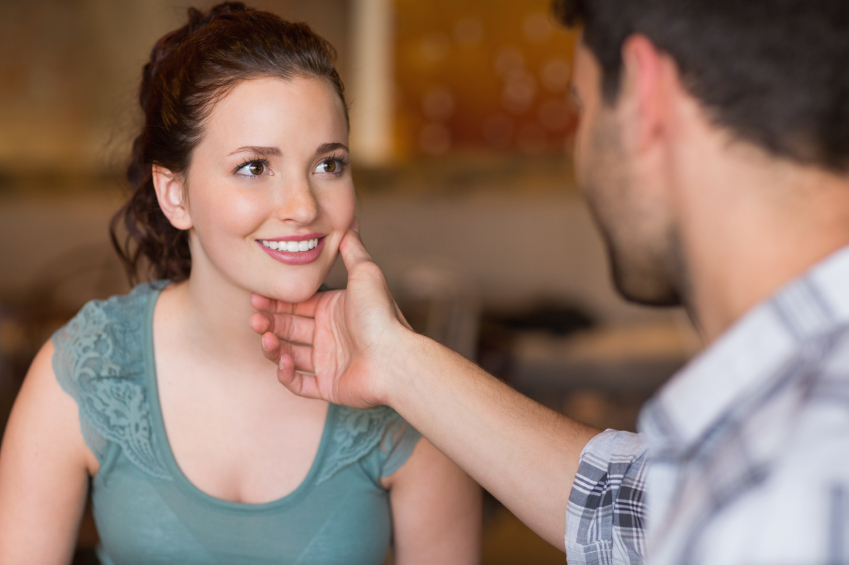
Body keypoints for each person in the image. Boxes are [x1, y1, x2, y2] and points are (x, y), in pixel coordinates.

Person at [250, 0, 849, 564]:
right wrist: (397, 362)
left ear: (646, 95)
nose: (578, 150)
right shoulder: (786, 443)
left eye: (581, 107)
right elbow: (632, 508)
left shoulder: (796, 486)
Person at [0, 4, 481, 564]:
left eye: (328, 165)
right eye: (254, 167)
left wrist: (406, 370)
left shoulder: (412, 386)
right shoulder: (83, 373)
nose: (303, 207)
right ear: (175, 194)